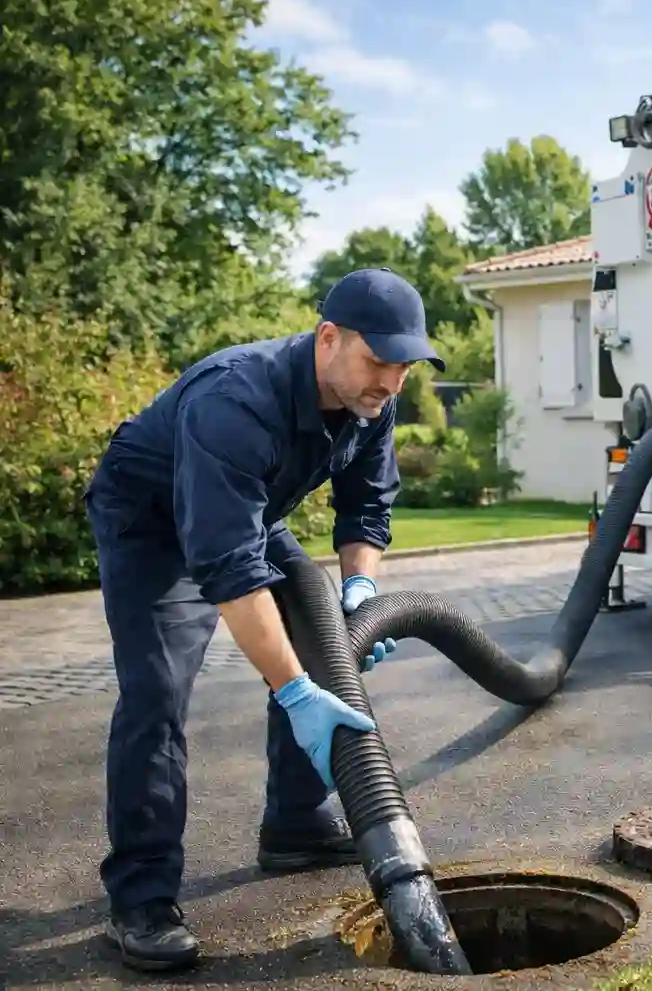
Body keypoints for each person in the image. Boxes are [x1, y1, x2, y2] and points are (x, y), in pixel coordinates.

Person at [82, 267, 446, 972]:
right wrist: (292, 688)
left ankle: (296, 825)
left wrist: (360, 594)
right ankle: (142, 896)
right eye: (379, 361)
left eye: (404, 366)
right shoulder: (236, 398)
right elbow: (227, 570)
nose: (392, 382)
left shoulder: (372, 400)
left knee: (323, 639)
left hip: (241, 518)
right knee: (156, 694)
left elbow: (365, 507)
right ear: (329, 338)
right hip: (150, 520)